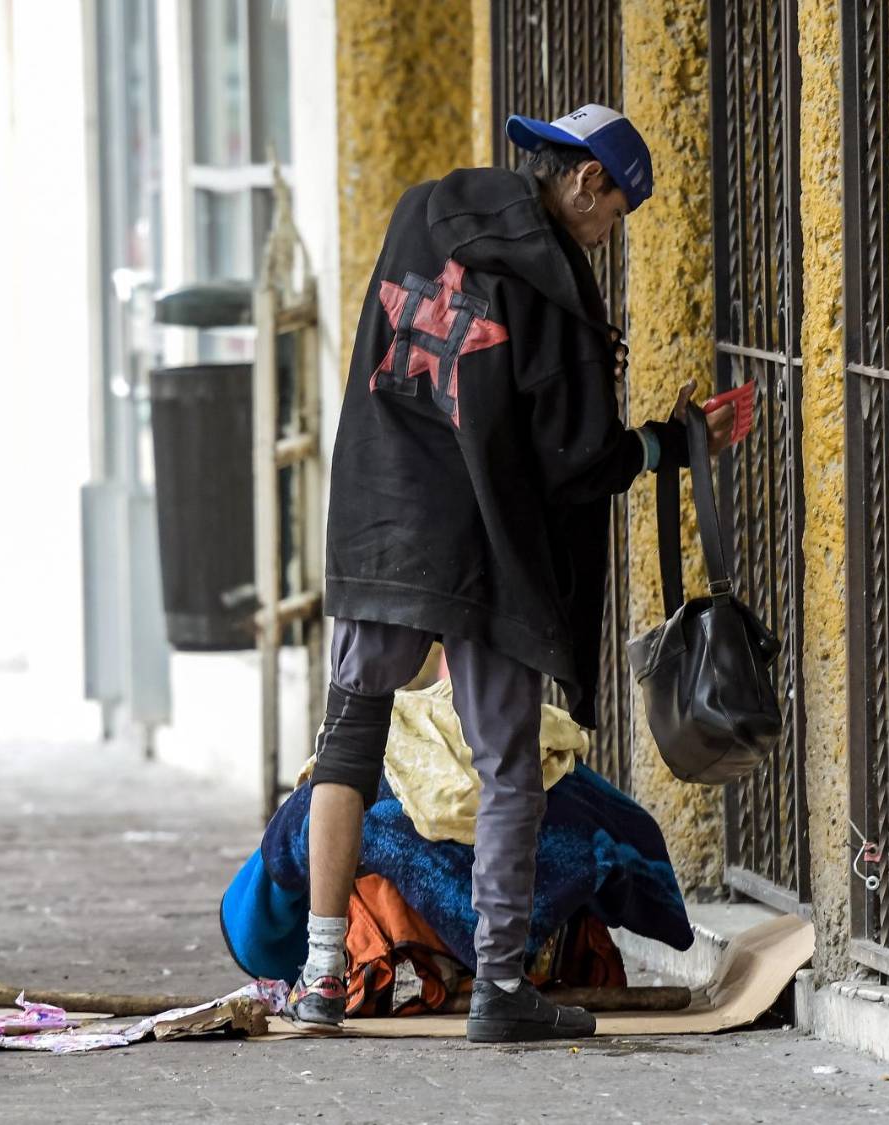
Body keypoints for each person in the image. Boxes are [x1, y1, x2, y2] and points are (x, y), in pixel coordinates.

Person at [284, 104, 735, 1043]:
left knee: (350, 734)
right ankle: (499, 985)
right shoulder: (560, 294)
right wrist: (672, 442)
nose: (611, 232)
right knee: (508, 765)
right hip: (488, 546)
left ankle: (322, 976)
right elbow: (580, 462)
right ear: (584, 182)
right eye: (616, 211)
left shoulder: (422, 212)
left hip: (384, 512)